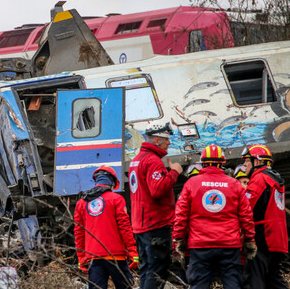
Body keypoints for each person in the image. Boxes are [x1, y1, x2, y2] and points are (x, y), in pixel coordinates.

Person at [173, 144, 256, 289]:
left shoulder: (191, 184)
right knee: (233, 283)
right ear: (222, 163)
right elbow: (246, 216)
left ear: (202, 162)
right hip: (229, 245)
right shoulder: (234, 184)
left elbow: (180, 215)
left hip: (200, 246)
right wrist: (249, 240)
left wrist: (179, 239)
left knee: (199, 284)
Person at [128, 122, 182, 289]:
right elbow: (157, 190)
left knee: (146, 268)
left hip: (140, 225)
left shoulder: (136, 160)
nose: (169, 143)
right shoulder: (153, 161)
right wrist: (174, 172)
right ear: (158, 140)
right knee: (158, 270)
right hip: (155, 225)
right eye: (167, 139)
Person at [74, 166, 138, 289]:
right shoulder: (116, 199)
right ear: (111, 182)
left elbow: (79, 232)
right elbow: (125, 228)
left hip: (93, 257)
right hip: (116, 256)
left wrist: (81, 257)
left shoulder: (81, 203)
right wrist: (133, 252)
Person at [242, 144, 288, 288]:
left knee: (255, 278)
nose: (244, 164)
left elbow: (246, 208)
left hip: (263, 236)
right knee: (274, 279)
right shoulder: (276, 179)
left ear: (256, 162)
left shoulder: (259, 179)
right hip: (278, 238)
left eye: (247, 161)